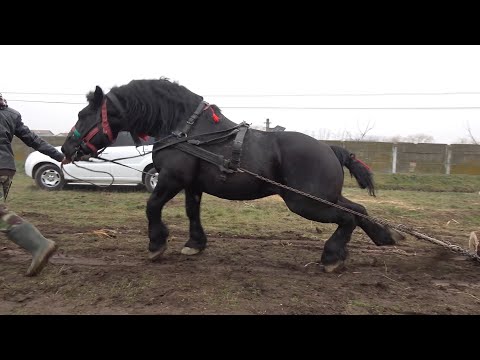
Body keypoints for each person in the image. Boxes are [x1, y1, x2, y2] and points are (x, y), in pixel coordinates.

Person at [0, 92, 67, 276]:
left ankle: (40, 245)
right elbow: (33, 139)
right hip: (6, 169)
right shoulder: (11, 114)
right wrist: (59, 155)